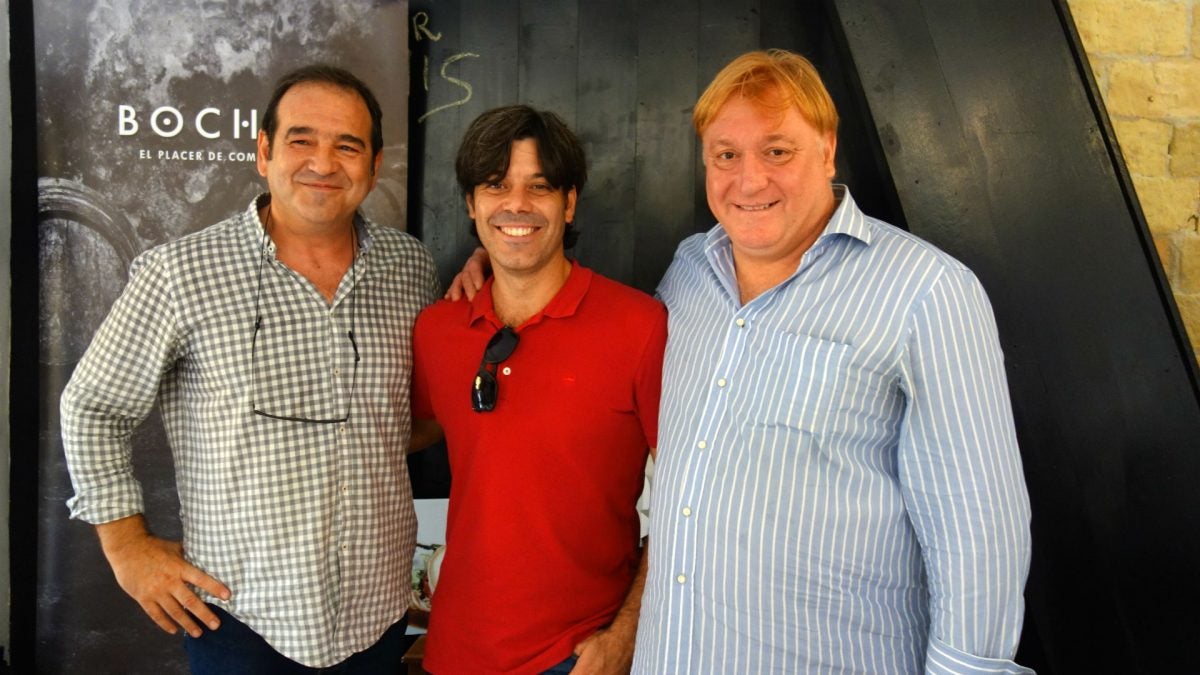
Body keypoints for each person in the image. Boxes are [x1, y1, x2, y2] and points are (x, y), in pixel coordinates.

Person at [450, 50, 1032, 674]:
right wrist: (507, 265)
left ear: (828, 149)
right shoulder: (690, 272)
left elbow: (979, 531)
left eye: (777, 151)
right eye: (726, 155)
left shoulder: (927, 292)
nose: (749, 179)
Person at [60, 64, 440, 673]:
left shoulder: (410, 270)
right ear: (264, 152)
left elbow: (413, 412)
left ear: (374, 166)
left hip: (378, 613)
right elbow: (93, 407)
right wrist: (126, 546)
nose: (323, 161)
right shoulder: (180, 273)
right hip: (239, 619)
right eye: (301, 139)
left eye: (348, 145)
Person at [410, 105, 667, 674]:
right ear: (472, 204)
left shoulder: (640, 326)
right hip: (454, 653)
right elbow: (404, 432)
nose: (517, 205)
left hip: (578, 658)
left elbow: (692, 498)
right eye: (496, 185)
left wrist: (625, 635)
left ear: (569, 202)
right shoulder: (437, 330)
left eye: (540, 187)